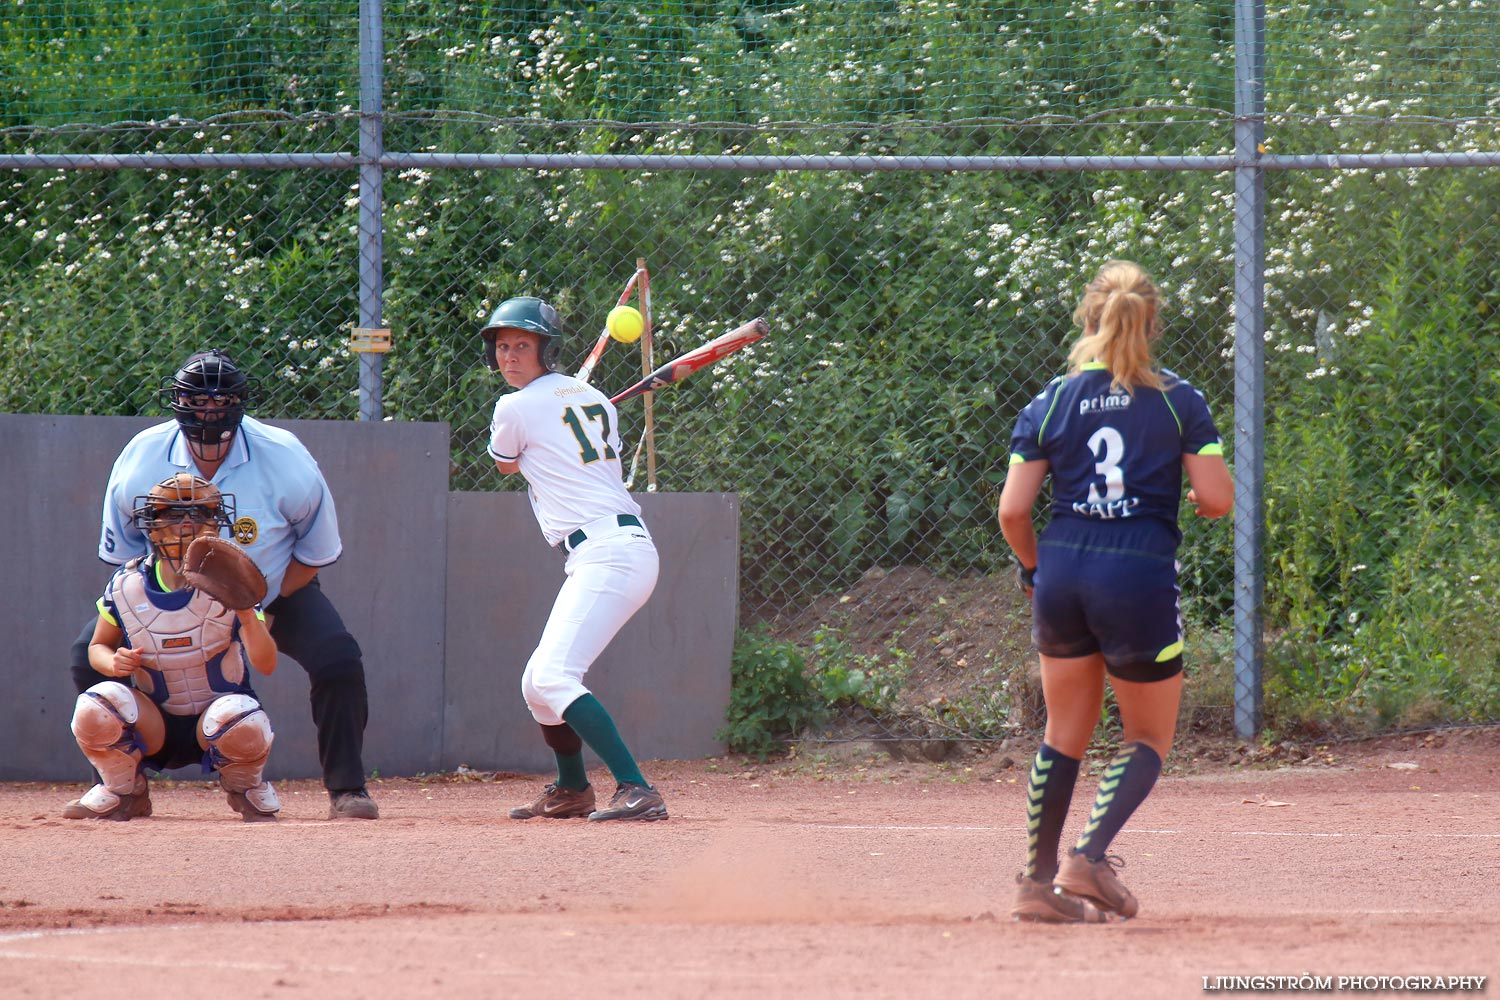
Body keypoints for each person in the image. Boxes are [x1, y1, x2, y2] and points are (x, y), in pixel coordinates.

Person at [998, 260, 1233, 922]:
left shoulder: (1050, 402)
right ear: (1151, 322)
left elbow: (1014, 512)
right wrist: (1195, 497)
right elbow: (1217, 498)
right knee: (1147, 737)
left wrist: (1034, 569)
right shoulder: (1179, 399)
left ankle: (1036, 885)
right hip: (1136, 574)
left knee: (1063, 732)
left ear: (1088, 318)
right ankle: (1087, 858)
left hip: (1064, 572)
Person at [67, 348, 379, 819]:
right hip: (168, 593)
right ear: (178, 404)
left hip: (268, 592)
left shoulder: (284, 457)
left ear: (239, 403)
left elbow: (313, 554)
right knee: (85, 654)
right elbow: (127, 556)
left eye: (220, 401)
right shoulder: (142, 458)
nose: (209, 411)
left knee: (337, 657)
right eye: (197, 401)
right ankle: (120, 786)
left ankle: (347, 790)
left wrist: (260, 608)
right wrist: (148, 611)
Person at [479, 295, 668, 822]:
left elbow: (506, 467)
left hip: (610, 553)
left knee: (557, 676)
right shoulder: (594, 398)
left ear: (547, 350)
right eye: (502, 346)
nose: (509, 356)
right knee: (535, 683)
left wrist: (536, 425)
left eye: (523, 345)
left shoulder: (512, 407)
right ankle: (572, 787)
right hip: (613, 550)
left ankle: (637, 788)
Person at [65, 474, 282, 822]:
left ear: (216, 523)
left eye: (199, 514)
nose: (185, 525)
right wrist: (113, 662)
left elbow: (267, 663)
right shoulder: (127, 584)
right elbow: (97, 648)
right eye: (172, 514)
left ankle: (245, 786)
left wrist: (244, 607)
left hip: (217, 719)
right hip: (155, 723)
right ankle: (125, 791)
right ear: (152, 527)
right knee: (96, 706)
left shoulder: (231, 579)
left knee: (243, 719)